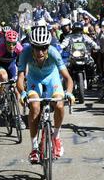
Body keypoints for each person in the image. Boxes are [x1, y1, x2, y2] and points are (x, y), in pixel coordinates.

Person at [17, 26, 75, 163]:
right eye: (36, 47)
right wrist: (23, 93)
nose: (40, 51)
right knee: (35, 106)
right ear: (31, 46)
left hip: (52, 79)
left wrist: (69, 93)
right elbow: (20, 77)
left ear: (48, 46)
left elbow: (68, 79)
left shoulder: (54, 52)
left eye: (44, 47)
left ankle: (56, 136)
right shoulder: (25, 53)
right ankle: (34, 147)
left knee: (60, 105)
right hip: (34, 80)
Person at [0, 30, 25, 128]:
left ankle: (18, 117)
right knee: (4, 76)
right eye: (8, 43)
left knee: (17, 91)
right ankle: (2, 95)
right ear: (5, 42)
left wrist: (24, 76)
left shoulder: (19, 48)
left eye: (13, 43)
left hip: (11, 66)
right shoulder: (0, 48)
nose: (11, 46)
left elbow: (24, 63)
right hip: (1, 66)